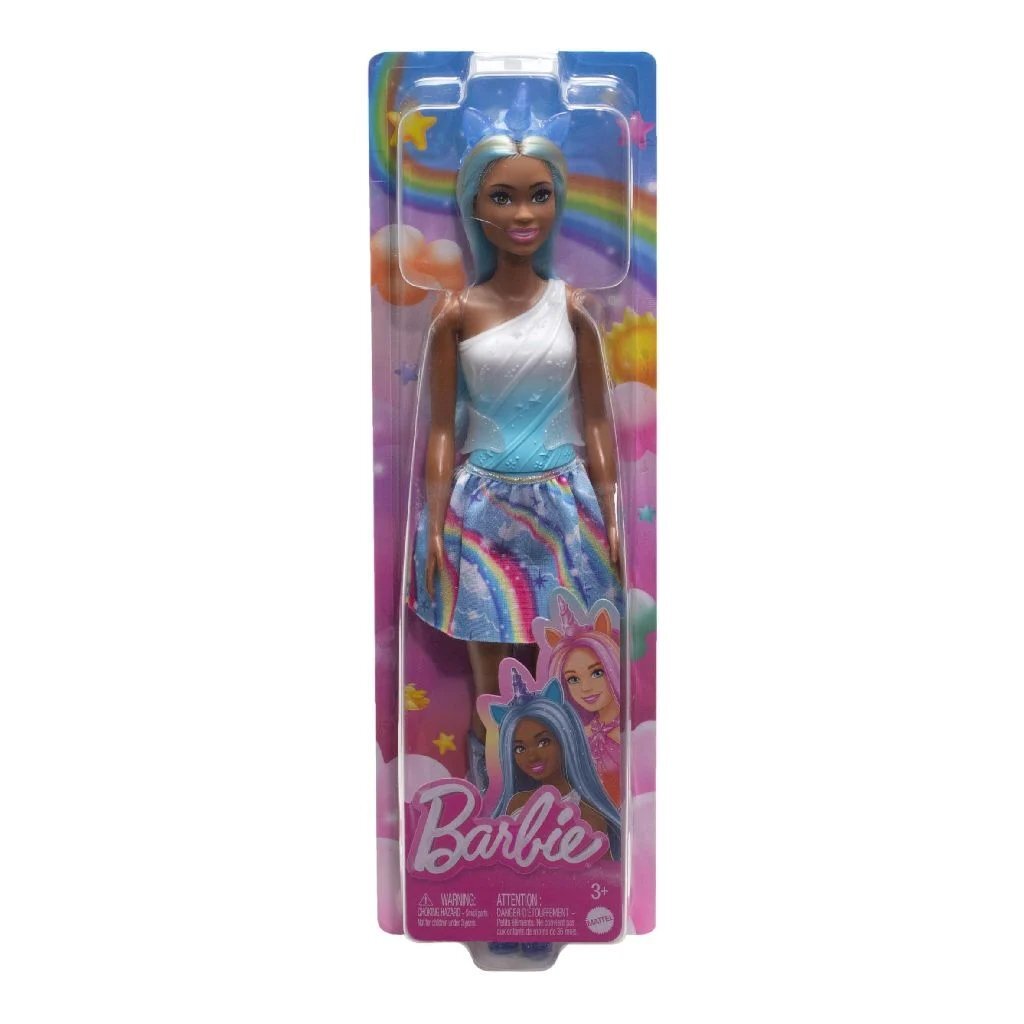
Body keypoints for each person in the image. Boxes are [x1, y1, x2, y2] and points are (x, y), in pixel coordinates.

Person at [406, 83, 622, 793]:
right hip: (482, 510)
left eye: (538, 196)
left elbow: (597, 421)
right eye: (503, 197)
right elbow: (443, 426)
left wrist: (612, 512)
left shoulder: (575, 310)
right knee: (489, 677)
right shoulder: (456, 314)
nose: (523, 214)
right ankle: (492, 804)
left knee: (560, 663)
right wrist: (433, 522)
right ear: (476, 205)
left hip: (563, 507)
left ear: (558, 203)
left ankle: (560, 804)